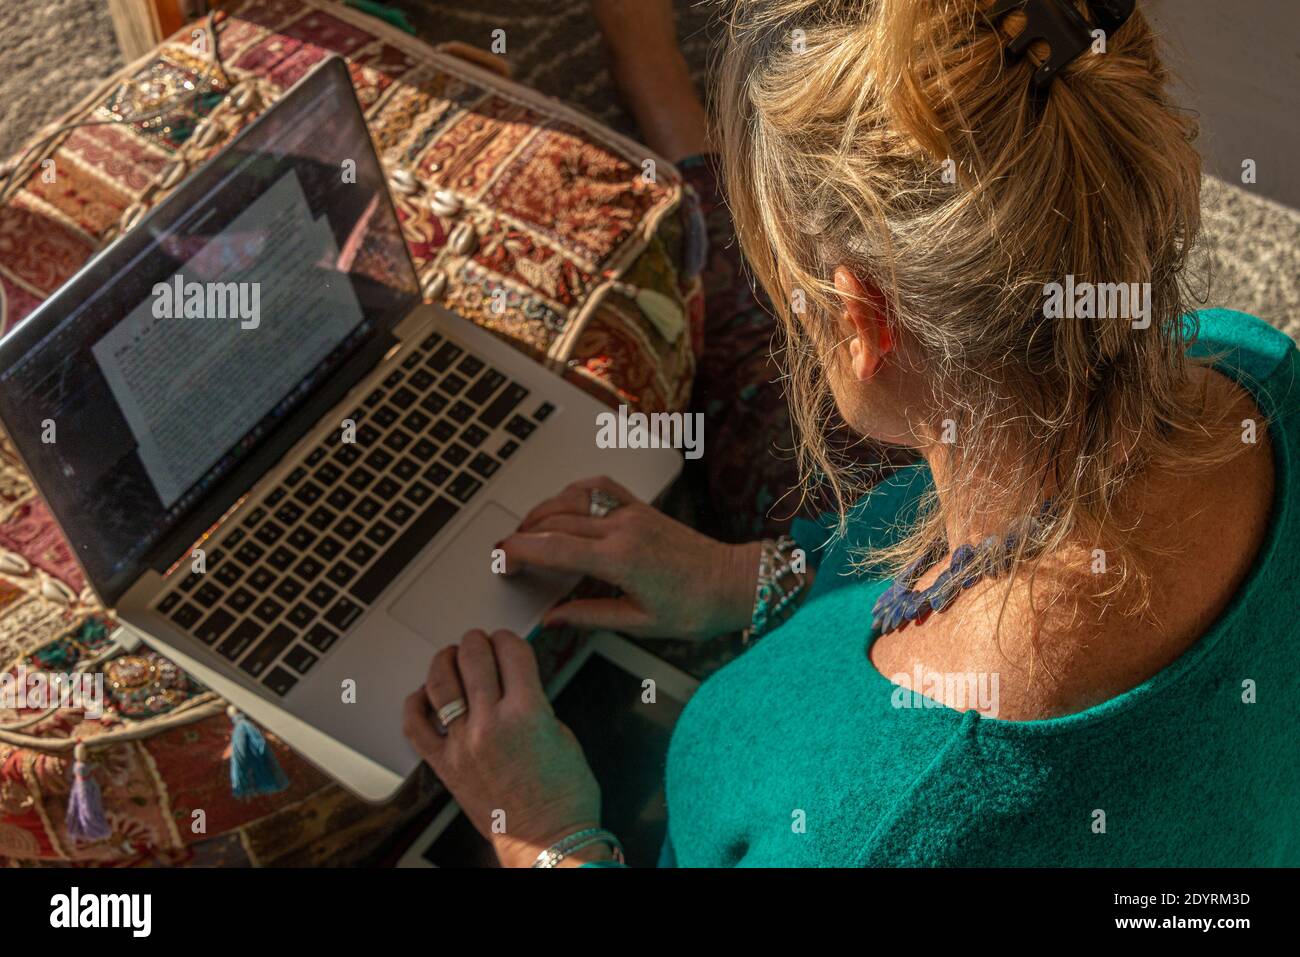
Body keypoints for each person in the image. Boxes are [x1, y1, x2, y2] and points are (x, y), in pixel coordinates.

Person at [401, 0, 1300, 867]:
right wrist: (750, 580)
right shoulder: (1251, 372)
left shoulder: (871, 830)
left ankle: (667, 101)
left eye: (789, 282)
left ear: (862, 318)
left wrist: (545, 831)